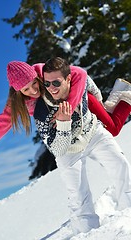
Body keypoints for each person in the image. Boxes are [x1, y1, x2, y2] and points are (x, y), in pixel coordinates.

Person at [32, 57, 131, 235]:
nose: (51, 88)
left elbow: (89, 84)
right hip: (68, 151)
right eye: (47, 83)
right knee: (79, 197)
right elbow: (58, 150)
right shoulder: (41, 111)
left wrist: (99, 101)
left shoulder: (80, 84)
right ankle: (89, 233)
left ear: (69, 79)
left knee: (120, 164)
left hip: (92, 133)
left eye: (56, 82)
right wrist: (63, 123)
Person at [0, 61, 131, 162]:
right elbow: (0, 126)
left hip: (84, 96)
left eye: (34, 84)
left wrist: (68, 105)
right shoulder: (17, 103)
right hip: (74, 114)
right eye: (26, 89)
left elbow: (80, 73)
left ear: (37, 77)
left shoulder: (47, 72)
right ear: (18, 92)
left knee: (113, 129)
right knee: (108, 120)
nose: (33, 91)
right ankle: (120, 93)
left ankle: (128, 96)